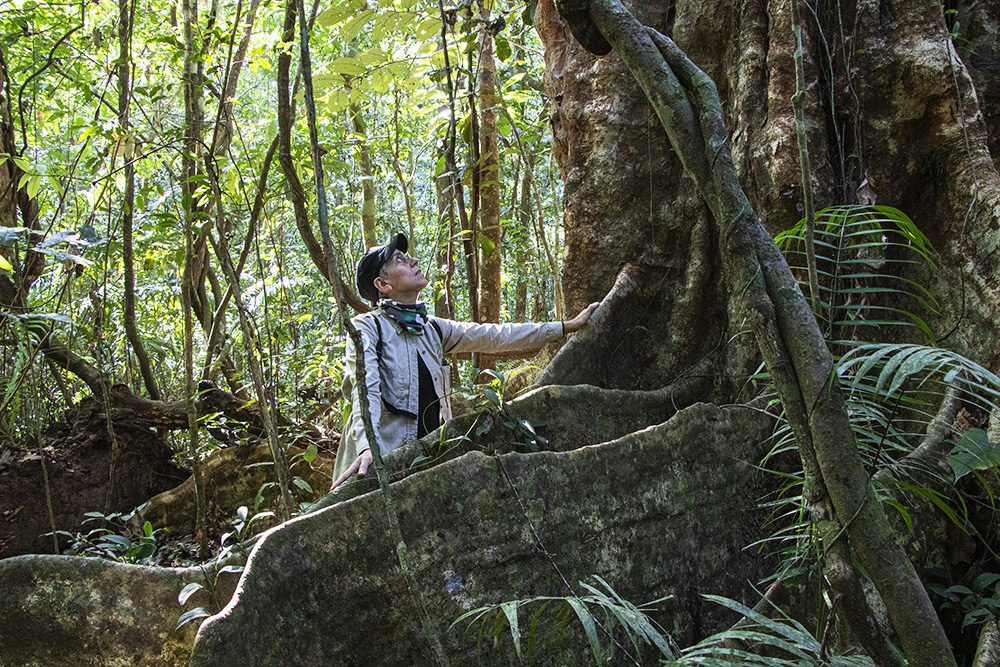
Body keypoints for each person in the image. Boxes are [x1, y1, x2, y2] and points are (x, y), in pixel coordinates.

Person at [331, 233, 599, 491]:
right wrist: (368, 448)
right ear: (383, 285)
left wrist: (565, 326)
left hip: (428, 463)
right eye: (400, 259)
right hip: (379, 465)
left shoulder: (431, 328)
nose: (413, 261)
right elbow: (366, 391)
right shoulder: (367, 327)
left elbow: (495, 336)